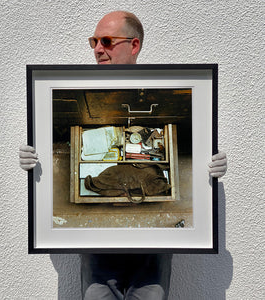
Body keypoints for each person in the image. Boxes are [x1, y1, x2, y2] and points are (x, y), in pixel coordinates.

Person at [19, 11, 227, 300]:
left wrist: (207, 165)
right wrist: (39, 162)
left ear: (134, 45)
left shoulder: (167, 91)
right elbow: (61, 160)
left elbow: (186, 154)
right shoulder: (71, 92)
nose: (97, 49)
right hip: (96, 239)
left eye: (106, 41)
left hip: (154, 240)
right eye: (93, 41)